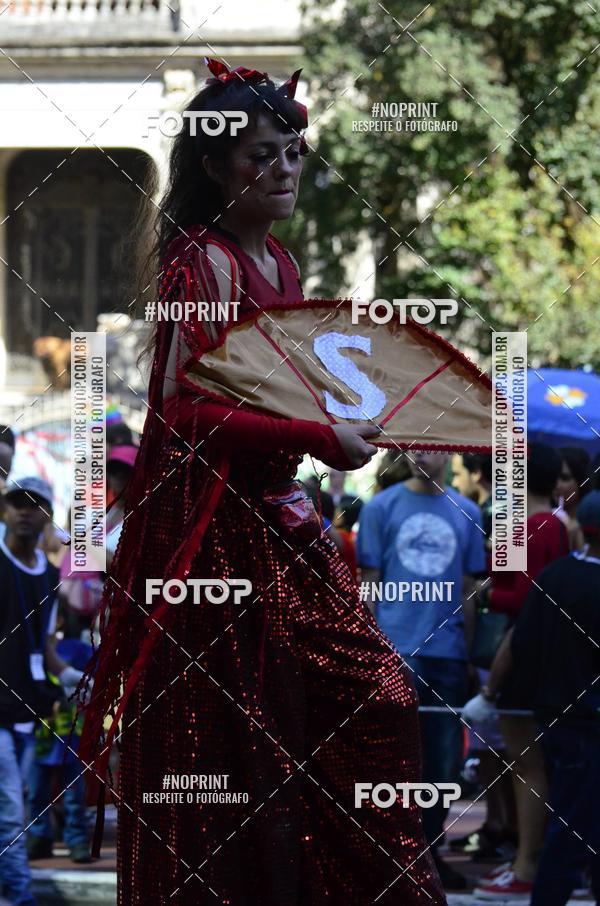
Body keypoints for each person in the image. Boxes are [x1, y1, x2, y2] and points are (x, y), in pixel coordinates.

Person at [77, 59, 447, 905]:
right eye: (261, 156)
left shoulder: (280, 262)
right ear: (214, 167)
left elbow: (277, 391)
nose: (283, 170)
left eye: (293, 152)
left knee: (372, 704)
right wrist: (320, 433)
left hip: (287, 527)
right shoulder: (199, 265)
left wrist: (350, 415)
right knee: (233, 752)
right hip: (219, 539)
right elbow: (184, 414)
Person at [357, 450, 486, 890]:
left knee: (442, 764)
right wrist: (373, 648)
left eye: (431, 448)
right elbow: (369, 583)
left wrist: (468, 655)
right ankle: (395, 856)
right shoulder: (380, 508)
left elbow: (470, 591)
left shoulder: (466, 511)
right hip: (395, 649)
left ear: (447, 454)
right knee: (392, 760)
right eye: (413, 446)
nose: (422, 456)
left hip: (447, 654)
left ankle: (429, 852)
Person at [464, 442, 570, 900]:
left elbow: (525, 599)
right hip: (545, 657)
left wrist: (485, 597)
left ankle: (527, 864)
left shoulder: (535, 525)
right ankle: (532, 857)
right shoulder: (555, 524)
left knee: (527, 764)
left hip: (525, 657)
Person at [511, 491, 600, 906]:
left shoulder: (555, 576)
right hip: (587, 721)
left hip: (559, 717)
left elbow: (524, 644)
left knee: (571, 825)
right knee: (575, 830)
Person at [0, 478, 85, 906]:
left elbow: (46, 645)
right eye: (16, 504)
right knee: (11, 812)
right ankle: (19, 898)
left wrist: (70, 676)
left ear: (47, 515)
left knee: (14, 807)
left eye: (35, 505)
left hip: (25, 711)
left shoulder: (52, 576)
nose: (25, 512)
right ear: (3, 512)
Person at [450, 454, 517, 863]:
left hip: (496, 644)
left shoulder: (497, 511)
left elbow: (503, 579)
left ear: (476, 472)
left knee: (499, 744)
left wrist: (484, 592)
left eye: (459, 470)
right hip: (495, 642)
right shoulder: (500, 509)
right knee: (494, 744)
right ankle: (498, 824)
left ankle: (503, 826)